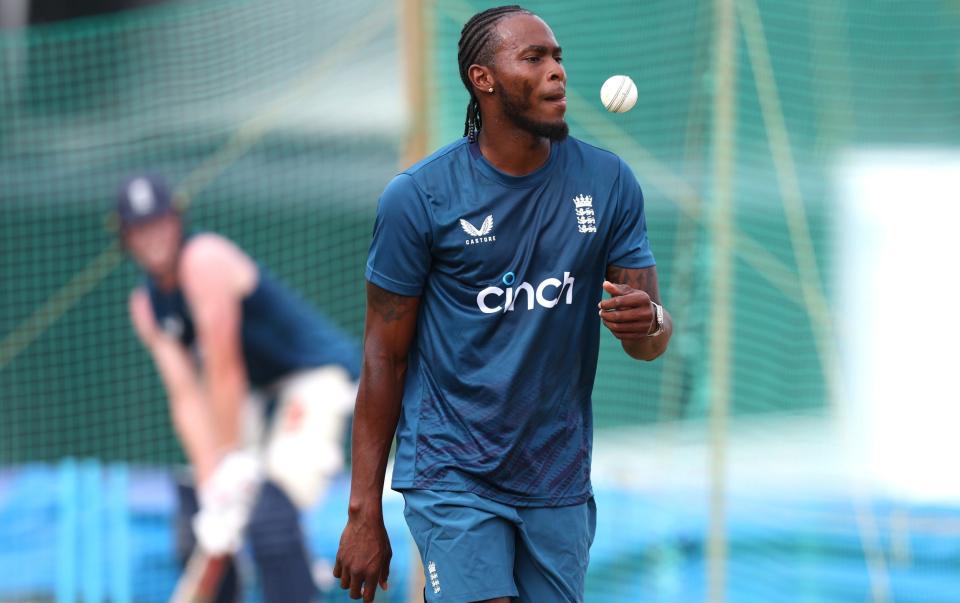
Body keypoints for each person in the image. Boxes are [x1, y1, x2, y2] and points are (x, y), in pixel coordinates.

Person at [333, 5, 673, 603]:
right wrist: (363, 512)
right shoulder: (419, 198)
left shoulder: (609, 181)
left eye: (559, 58)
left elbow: (648, 341)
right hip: (451, 471)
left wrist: (650, 320)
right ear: (482, 79)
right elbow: (384, 358)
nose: (557, 73)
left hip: (556, 475)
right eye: (534, 58)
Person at [117, 174, 360, 603]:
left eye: (159, 223)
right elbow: (186, 397)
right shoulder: (145, 306)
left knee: (271, 516)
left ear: (176, 221)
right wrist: (214, 482)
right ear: (126, 238)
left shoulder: (204, 259)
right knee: (201, 515)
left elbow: (223, 365)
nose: (152, 238)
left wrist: (229, 459)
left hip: (314, 379)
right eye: (140, 229)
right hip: (255, 396)